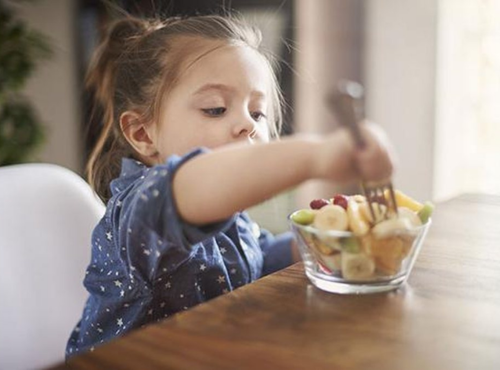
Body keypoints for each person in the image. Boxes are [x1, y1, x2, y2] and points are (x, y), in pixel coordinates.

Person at [66, 14, 395, 357]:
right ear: (142, 133)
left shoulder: (227, 212)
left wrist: (320, 241)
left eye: (257, 113)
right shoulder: (142, 210)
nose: (246, 125)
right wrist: (317, 155)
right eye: (215, 109)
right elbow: (198, 182)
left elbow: (256, 258)